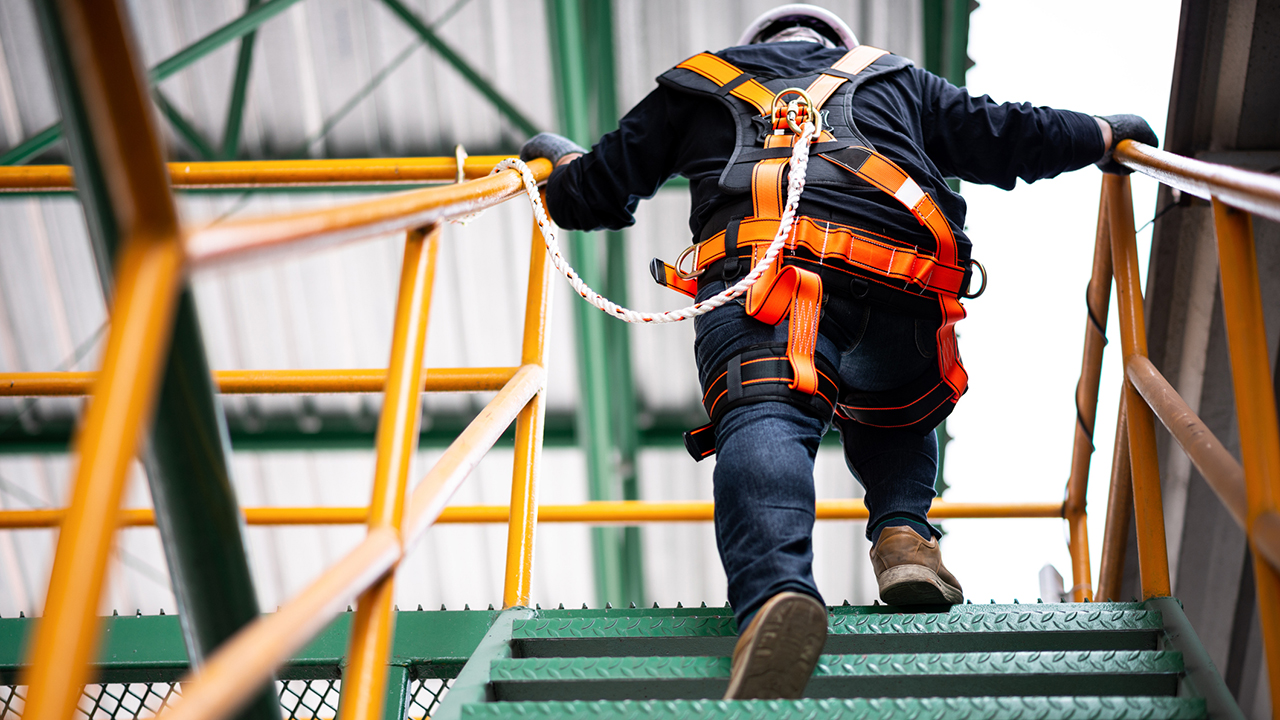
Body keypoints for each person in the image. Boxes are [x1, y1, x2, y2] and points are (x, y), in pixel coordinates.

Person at [520, 3, 1157, 700]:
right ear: (839, 47)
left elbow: (592, 195)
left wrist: (555, 163)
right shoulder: (896, 79)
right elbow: (1006, 134)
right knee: (896, 413)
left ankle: (775, 598)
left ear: (753, 48)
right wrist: (1102, 135)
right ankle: (905, 538)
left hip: (767, 283)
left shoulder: (695, 85)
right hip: (903, 285)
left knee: (765, 418)